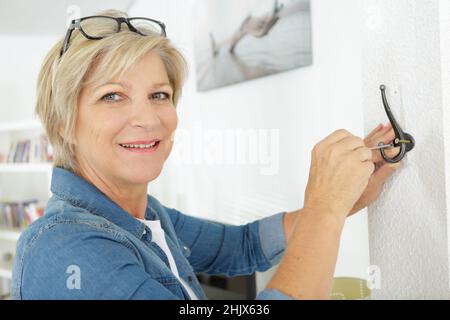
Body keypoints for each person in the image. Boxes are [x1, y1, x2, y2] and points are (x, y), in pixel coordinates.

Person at [12, 10, 401, 300]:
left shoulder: (146, 214)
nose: (147, 118)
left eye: (159, 95)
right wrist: (324, 210)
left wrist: (342, 198)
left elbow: (244, 245)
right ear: (62, 122)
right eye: (112, 96)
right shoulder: (65, 249)